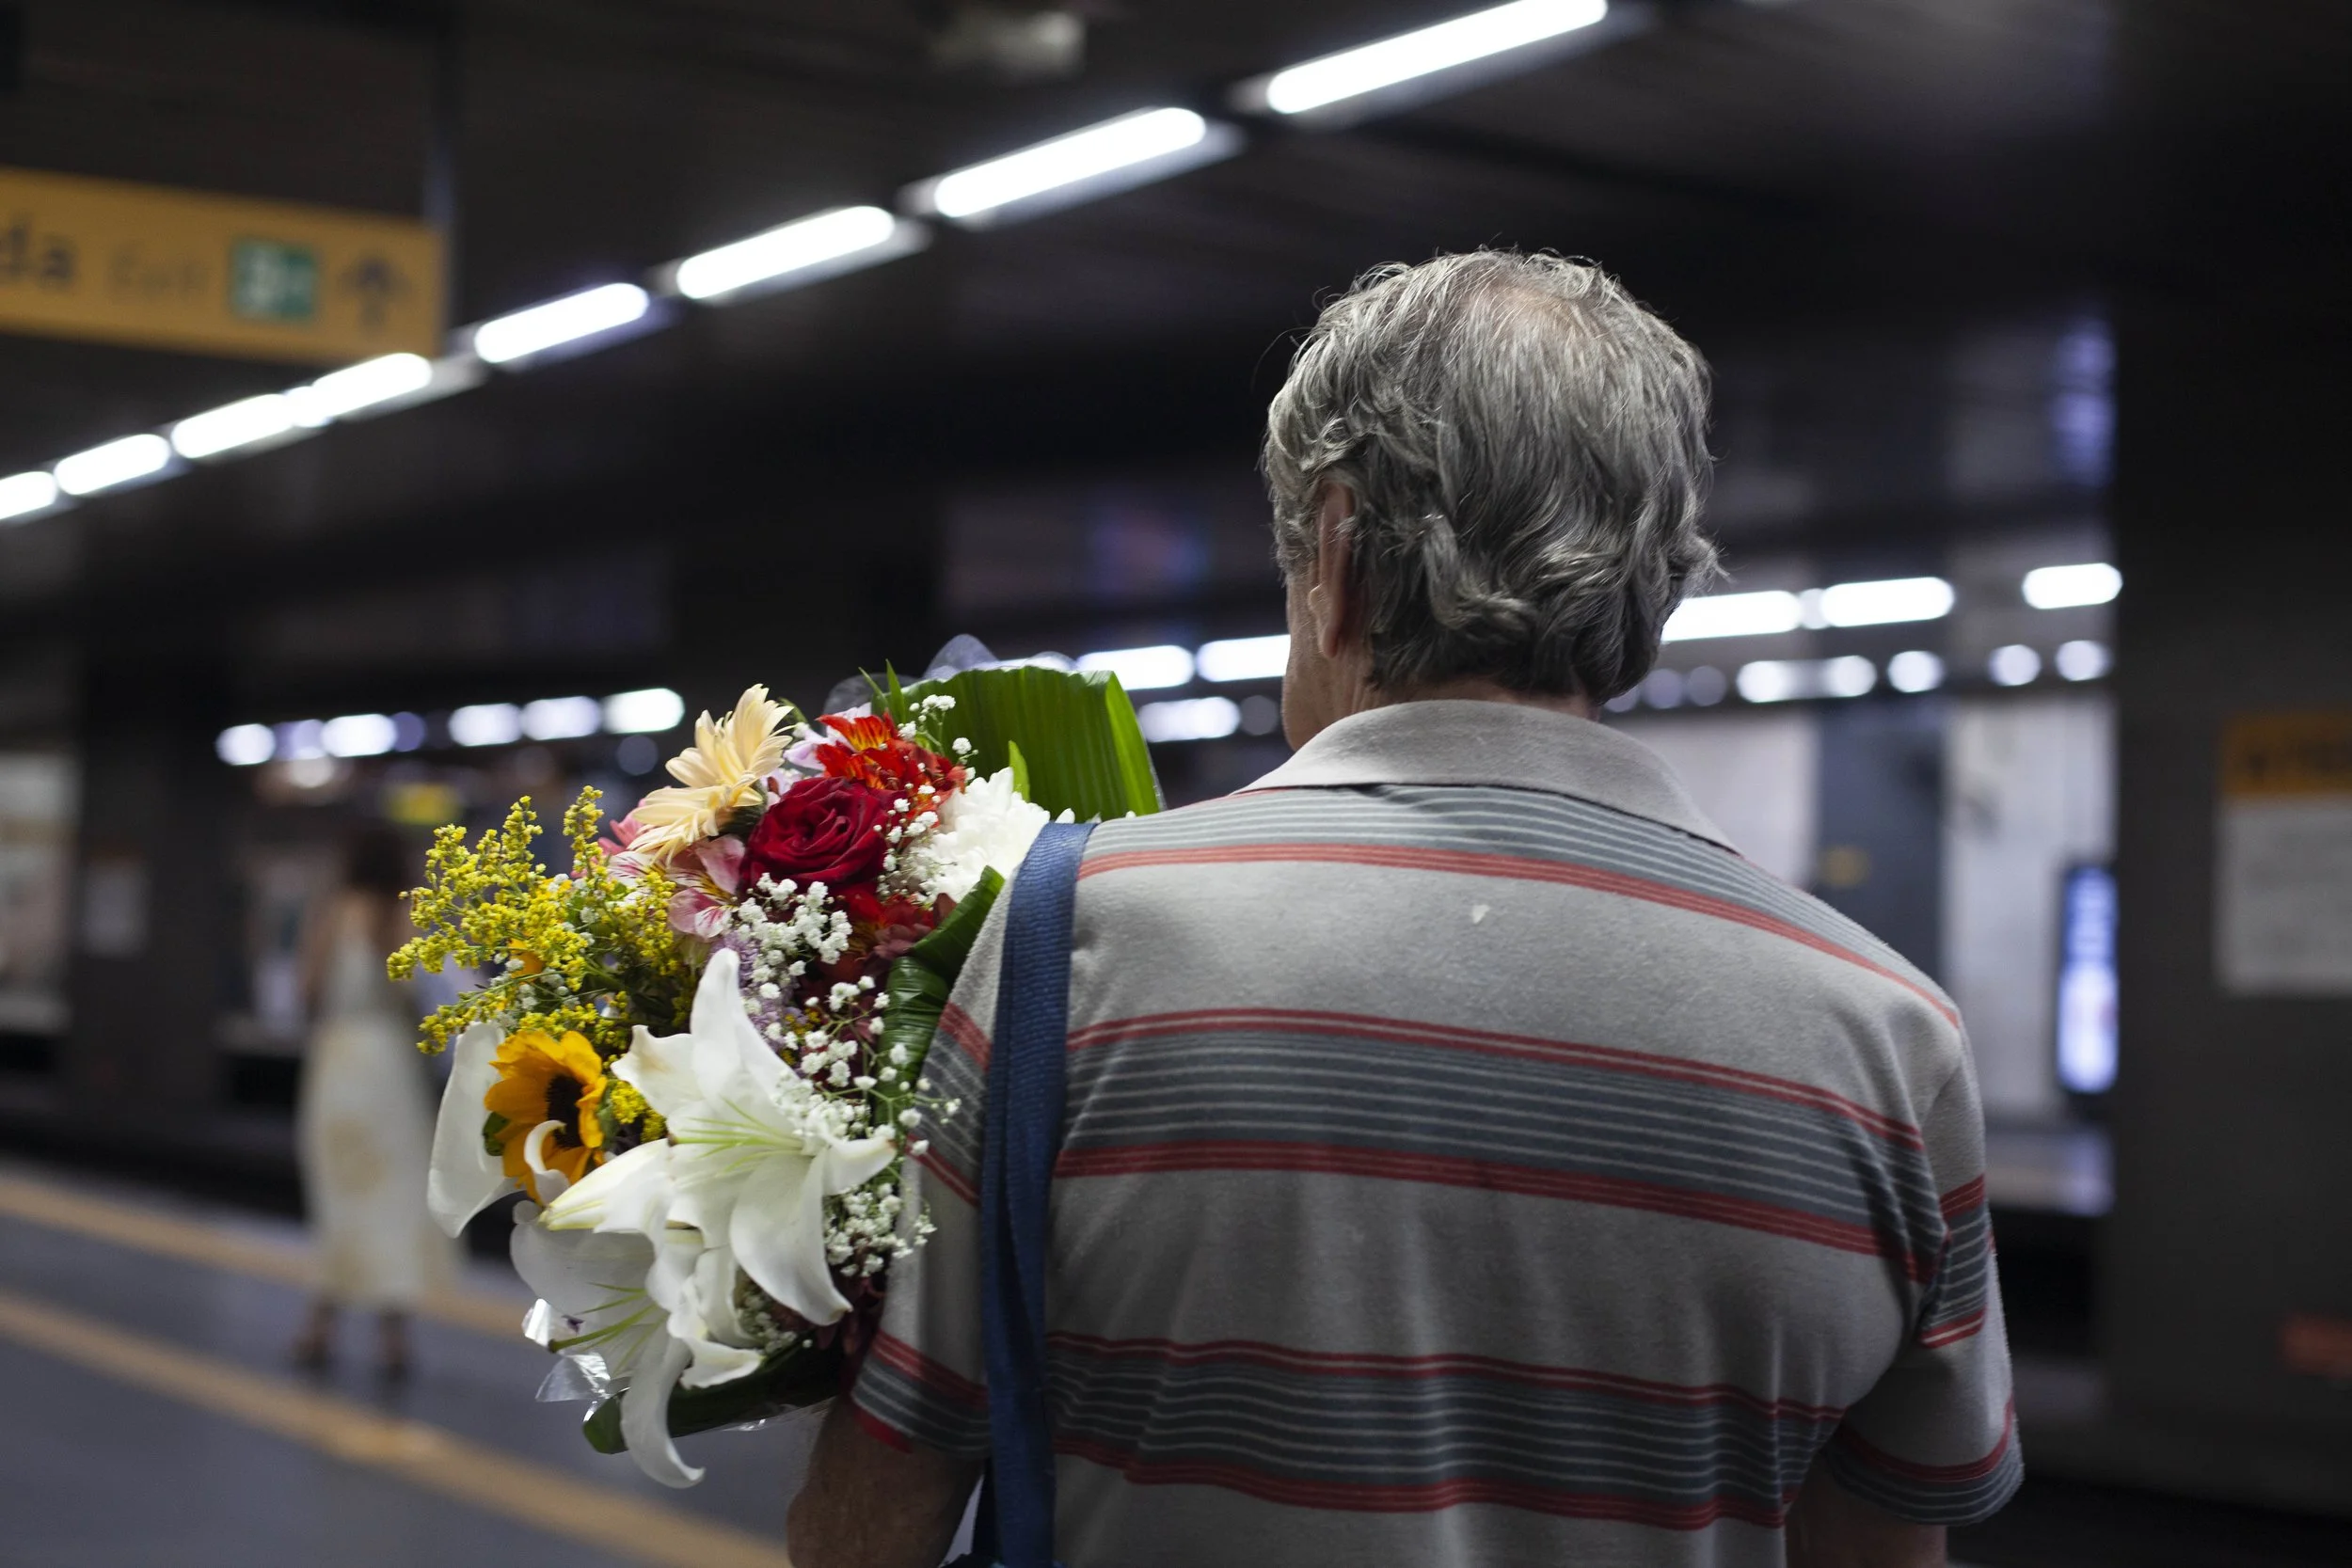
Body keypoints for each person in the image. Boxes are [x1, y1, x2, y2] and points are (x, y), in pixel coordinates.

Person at [787, 252, 2018, 1566]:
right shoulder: (1892, 1042)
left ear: (1331, 552)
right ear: (1652, 579)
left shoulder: (1074, 942)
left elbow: (869, 1530)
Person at [291, 823, 453, 1377]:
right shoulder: (402, 919)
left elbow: (305, 991)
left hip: (338, 1062)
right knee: (395, 1200)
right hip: (391, 1068)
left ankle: (319, 1327)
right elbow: (428, 999)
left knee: (339, 1199)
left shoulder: (333, 913)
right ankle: (393, 1341)